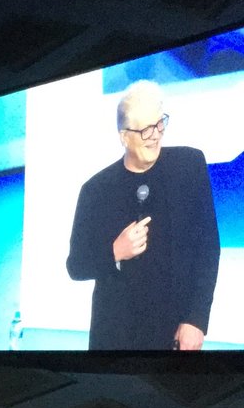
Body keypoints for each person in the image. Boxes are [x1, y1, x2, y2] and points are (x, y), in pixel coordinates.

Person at [65, 80, 220, 351]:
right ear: (124, 136)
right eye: (145, 129)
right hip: (115, 339)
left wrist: (196, 319)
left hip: (175, 334)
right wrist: (115, 251)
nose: (155, 135)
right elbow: (76, 266)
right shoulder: (96, 190)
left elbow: (208, 247)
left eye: (159, 124)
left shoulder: (189, 166)